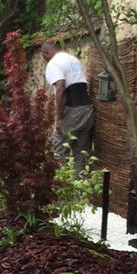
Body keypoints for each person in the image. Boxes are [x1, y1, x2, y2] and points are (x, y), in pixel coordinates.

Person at [41, 39, 94, 174]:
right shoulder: (72, 60)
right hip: (87, 109)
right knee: (80, 157)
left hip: (73, 110)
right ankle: (79, 193)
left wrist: (59, 119)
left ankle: (59, 189)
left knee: (58, 152)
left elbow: (60, 88)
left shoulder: (53, 63)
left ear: (46, 53)